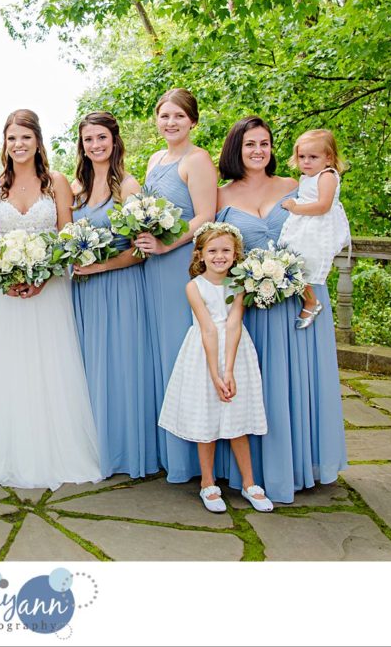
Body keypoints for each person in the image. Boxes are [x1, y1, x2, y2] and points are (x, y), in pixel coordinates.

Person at [216, 115, 348, 504]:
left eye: (265, 144)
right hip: (250, 307)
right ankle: (249, 470)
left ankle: (299, 466)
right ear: (236, 149)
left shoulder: (296, 185)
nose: (258, 151)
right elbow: (210, 247)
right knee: (254, 384)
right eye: (250, 144)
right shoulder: (221, 195)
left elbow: (324, 229)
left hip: (295, 301)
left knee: (297, 382)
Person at [0, 108, 102, 490]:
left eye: (25, 137)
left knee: (52, 364)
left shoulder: (56, 182)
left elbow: (66, 234)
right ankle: (10, 452)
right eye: (12, 138)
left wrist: (44, 276)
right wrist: (7, 276)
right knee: (12, 367)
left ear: (38, 141)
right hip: (5, 293)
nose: (19, 144)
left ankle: (60, 451)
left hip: (51, 289)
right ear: (4, 143)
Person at [157, 223, 272, 513]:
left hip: (236, 351)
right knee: (205, 419)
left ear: (235, 255)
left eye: (225, 250)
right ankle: (208, 483)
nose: (219, 256)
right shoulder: (194, 287)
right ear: (200, 255)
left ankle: (249, 483)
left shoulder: (239, 285)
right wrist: (214, 372)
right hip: (202, 354)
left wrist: (229, 370)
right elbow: (208, 329)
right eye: (212, 250)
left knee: (237, 419)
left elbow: (233, 324)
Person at [69, 111, 159, 478]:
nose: (95, 145)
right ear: (82, 146)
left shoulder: (130, 187)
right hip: (84, 293)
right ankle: (92, 449)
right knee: (87, 370)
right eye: (89, 139)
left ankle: (123, 452)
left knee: (121, 367)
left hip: (120, 289)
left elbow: (140, 250)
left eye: (101, 138)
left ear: (114, 140)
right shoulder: (76, 190)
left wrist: (99, 267)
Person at [138, 88, 217, 482]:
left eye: (178, 117)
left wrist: (167, 242)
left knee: (180, 355)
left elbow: (206, 214)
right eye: (164, 115)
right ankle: (165, 451)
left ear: (193, 122)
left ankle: (189, 461)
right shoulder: (155, 159)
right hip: (152, 267)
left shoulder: (198, 159)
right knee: (158, 355)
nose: (170, 122)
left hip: (179, 268)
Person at [278, 129, 352, 328]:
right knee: (287, 262)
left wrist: (295, 207)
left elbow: (323, 206)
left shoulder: (327, 176)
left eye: (313, 157)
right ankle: (309, 299)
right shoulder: (307, 177)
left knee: (299, 263)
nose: (306, 162)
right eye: (301, 157)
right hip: (305, 224)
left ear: (328, 159)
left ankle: (311, 301)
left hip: (318, 227)